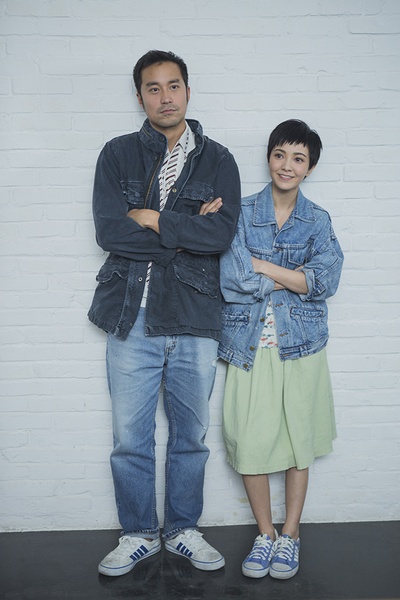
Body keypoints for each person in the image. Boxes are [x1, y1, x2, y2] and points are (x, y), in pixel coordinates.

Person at [88, 50, 241, 576]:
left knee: (190, 438)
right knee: (130, 439)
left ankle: (181, 530)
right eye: (153, 88)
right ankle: (137, 534)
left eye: (173, 85)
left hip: (195, 316)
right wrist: (186, 230)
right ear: (140, 97)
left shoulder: (219, 160)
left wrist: (152, 218)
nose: (165, 96)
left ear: (188, 91)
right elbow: (110, 231)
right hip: (131, 316)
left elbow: (220, 236)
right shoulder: (117, 154)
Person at [218, 119, 343, 580]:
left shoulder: (318, 220)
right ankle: (265, 533)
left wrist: (263, 266)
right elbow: (232, 280)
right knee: (250, 441)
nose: (287, 165)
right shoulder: (240, 213)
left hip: (302, 348)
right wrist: (295, 278)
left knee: (297, 442)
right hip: (249, 346)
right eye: (279, 155)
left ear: (309, 168)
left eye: (298, 158)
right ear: (269, 157)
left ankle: (290, 534)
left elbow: (325, 281)